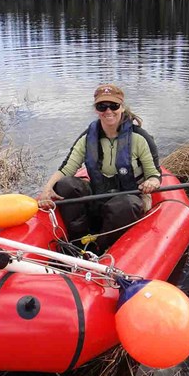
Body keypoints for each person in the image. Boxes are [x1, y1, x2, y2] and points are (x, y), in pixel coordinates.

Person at [37, 83, 162, 252]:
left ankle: (99, 247)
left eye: (113, 105)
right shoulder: (88, 138)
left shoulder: (139, 138)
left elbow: (154, 174)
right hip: (98, 193)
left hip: (130, 195)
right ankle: (78, 240)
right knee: (66, 184)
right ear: (96, 109)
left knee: (125, 204)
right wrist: (47, 189)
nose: (108, 111)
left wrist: (152, 182)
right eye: (102, 106)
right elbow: (66, 169)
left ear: (122, 107)